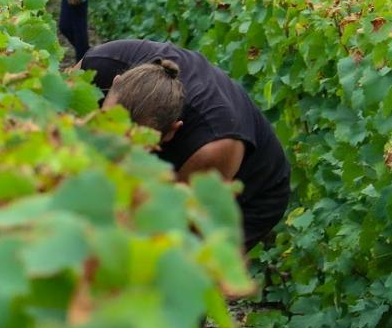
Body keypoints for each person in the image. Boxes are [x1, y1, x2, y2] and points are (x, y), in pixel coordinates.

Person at [80, 39, 291, 250]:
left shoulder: (213, 148)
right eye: (108, 129)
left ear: (172, 131)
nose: (115, 149)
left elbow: (170, 224)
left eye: (134, 146)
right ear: (115, 83)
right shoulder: (101, 63)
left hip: (254, 192)